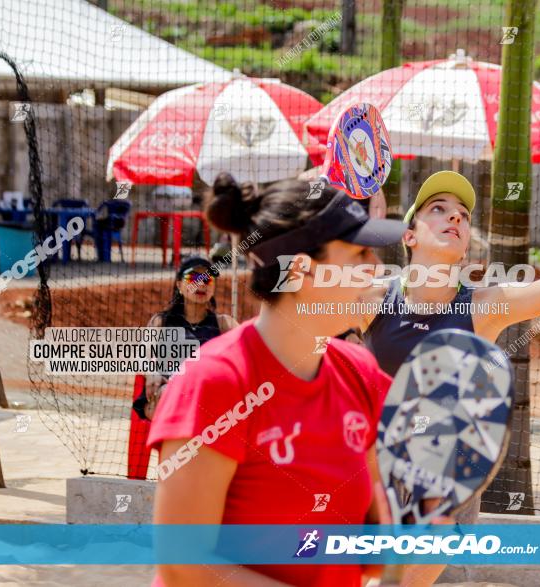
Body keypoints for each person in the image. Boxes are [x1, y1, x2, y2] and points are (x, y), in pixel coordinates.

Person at [357, 101, 540, 586]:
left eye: (462, 214)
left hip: (445, 487)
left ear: (466, 241)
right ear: (409, 235)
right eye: (438, 209)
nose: (455, 218)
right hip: (374, 483)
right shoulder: (373, 299)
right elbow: (297, 310)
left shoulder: (482, 307)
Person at [147, 173, 429, 586]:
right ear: (300, 271)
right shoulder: (216, 382)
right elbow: (183, 563)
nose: (377, 268)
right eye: (359, 253)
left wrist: (426, 522)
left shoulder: (360, 373)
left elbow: (374, 553)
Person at [132, 256, 238, 421]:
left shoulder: (224, 323)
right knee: (167, 393)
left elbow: (249, 352)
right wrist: (151, 371)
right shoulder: (162, 321)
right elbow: (141, 356)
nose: (201, 283)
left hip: (206, 400)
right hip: (166, 397)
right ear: (179, 285)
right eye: (194, 277)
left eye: (208, 279)